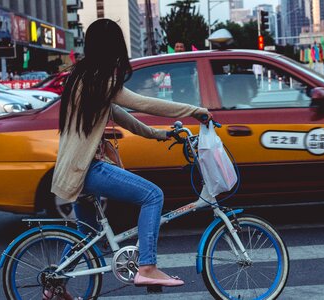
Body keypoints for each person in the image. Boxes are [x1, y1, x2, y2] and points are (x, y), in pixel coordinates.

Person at [50, 19, 212, 297]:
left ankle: (55, 282)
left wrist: (159, 135)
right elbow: (144, 103)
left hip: (73, 169)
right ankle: (147, 267)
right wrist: (194, 110)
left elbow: (122, 116)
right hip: (88, 168)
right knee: (153, 196)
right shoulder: (100, 80)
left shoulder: (85, 77)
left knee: (87, 236)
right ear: (111, 47)